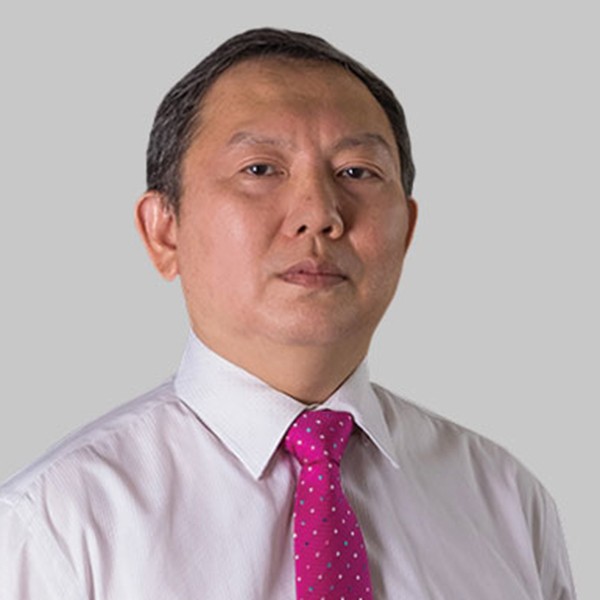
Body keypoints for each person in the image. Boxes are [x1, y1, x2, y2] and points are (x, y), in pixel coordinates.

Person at [0, 28, 576, 599]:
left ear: (406, 231)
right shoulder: (56, 527)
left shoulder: (507, 504)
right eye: (260, 169)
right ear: (164, 231)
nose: (320, 214)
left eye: (356, 172)